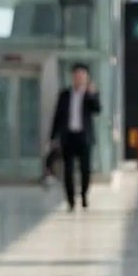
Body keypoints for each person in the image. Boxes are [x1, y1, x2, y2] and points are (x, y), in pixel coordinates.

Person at [49, 64, 101, 211]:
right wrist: (53, 136)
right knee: (68, 170)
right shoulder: (65, 95)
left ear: (86, 77)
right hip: (68, 136)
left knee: (85, 170)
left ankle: (84, 195)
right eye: (76, 75)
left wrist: (91, 94)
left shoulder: (90, 93)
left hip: (84, 137)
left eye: (82, 75)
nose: (79, 78)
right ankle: (71, 200)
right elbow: (57, 117)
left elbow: (97, 109)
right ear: (73, 77)